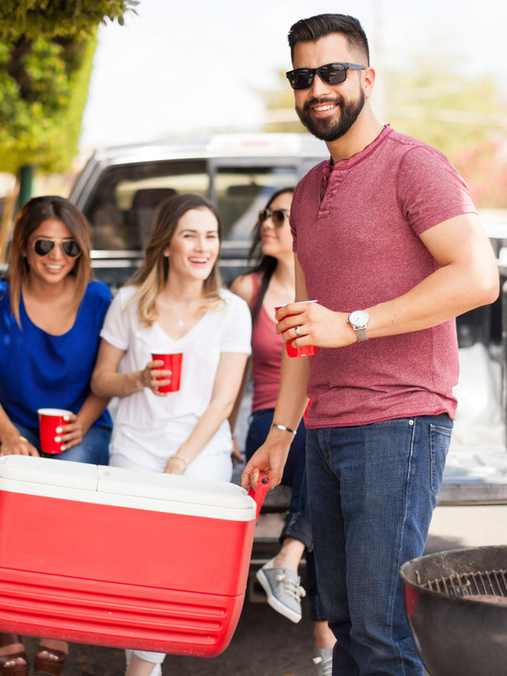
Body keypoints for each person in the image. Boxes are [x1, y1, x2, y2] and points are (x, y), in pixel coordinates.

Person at [240, 14, 500, 676]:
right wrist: (281, 434)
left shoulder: (414, 167)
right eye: (303, 77)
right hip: (323, 433)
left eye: (332, 72)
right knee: (347, 621)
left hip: (399, 422)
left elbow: (478, 278)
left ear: (367, 77)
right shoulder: (305, 192)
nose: (317, 89)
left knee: (385, 631)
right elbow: (304, 326)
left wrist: (354, 323)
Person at [91, 193, 251, 676]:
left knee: (167, 563)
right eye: (190, 235)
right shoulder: (129, 302)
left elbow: (223, 402)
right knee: (136, 569)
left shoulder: (230, 310)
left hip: (200, 453)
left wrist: (181, 461)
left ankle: (141, 668)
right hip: (136, 448)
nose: (203, 248)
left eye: (211, 236)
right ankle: (145, 667)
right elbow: (101, 381)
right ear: (165, 245)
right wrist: (137, 380)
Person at [0, 195, 113, 676]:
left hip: (79, 423)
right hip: (11, 423)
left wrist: (84, 421)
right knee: (9, 500)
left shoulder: (100, 299)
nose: (57, 256)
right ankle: (5, 624)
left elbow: (107, 378)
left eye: (70, 248)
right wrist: (5, 434)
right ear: (24, 247)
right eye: (45, 244)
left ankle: (55, 626)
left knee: (65, 501)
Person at [228, 187, 337, 675]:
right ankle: (326, 641)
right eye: (266, 216)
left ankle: (288, 562)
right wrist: (225, 431)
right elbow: (230, 371)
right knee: (322, 449)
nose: (269, 224)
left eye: (281, 216)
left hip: (317, 425)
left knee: (326, 449)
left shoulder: (332, 290)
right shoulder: (247, 290)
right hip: (268, 422)